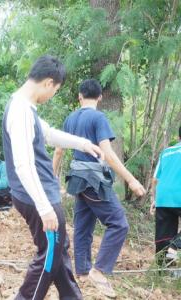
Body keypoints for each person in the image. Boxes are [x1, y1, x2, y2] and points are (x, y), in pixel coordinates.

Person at [3, 55, 104, 300]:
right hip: (37, 197)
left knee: (58, 251)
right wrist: (45, 208)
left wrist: (83, 143)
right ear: (48, 83)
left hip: (38, 195)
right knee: (48, 256)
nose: (53, 95)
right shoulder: (21, 111)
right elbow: (23, 165)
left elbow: (47, 134)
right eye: (56, 90)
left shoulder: (24, 107)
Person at [53, 79, 146, 298]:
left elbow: (59, 151)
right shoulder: (98, 117)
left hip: (76, 180)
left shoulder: (70, 118)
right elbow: (109, 154)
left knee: (83, 226)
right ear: (100, 97)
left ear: (79, 96)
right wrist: (131, 180)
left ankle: (83, 273)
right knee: (119, 223)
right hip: (94, 180)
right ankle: (100, 270)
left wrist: (53, 178)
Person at [150, 126, 181, 263]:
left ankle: (163, 269)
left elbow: (155, 179)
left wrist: (154, 199)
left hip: (163, 197)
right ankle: (175, 245)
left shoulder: (166, 152)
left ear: (178, 137)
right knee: (172, 242)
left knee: (164, 235)